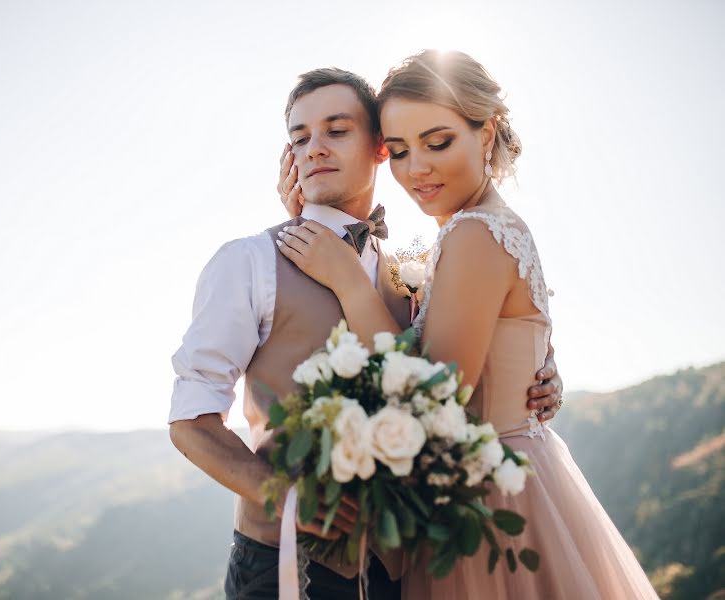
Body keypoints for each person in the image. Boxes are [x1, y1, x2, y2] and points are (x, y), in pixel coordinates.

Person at [274, 50, 657, 599]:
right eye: (400, 151)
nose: (417, 170)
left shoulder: (474, 233)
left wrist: (348, 280)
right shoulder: (487, 225)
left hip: (488, 498)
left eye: (438, 142)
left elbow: (437, 397)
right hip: (514, 472)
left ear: (486, 132)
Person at [169, 67, 562, 600]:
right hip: (286, 563)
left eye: (336, 130)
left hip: (407, 565)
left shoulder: (413, 270)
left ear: (381, 147)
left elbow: (462, 358)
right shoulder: (250, 261)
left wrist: (539, 376)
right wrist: (286, 496)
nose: (314, 148)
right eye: (300, 137)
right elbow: (190, 421)